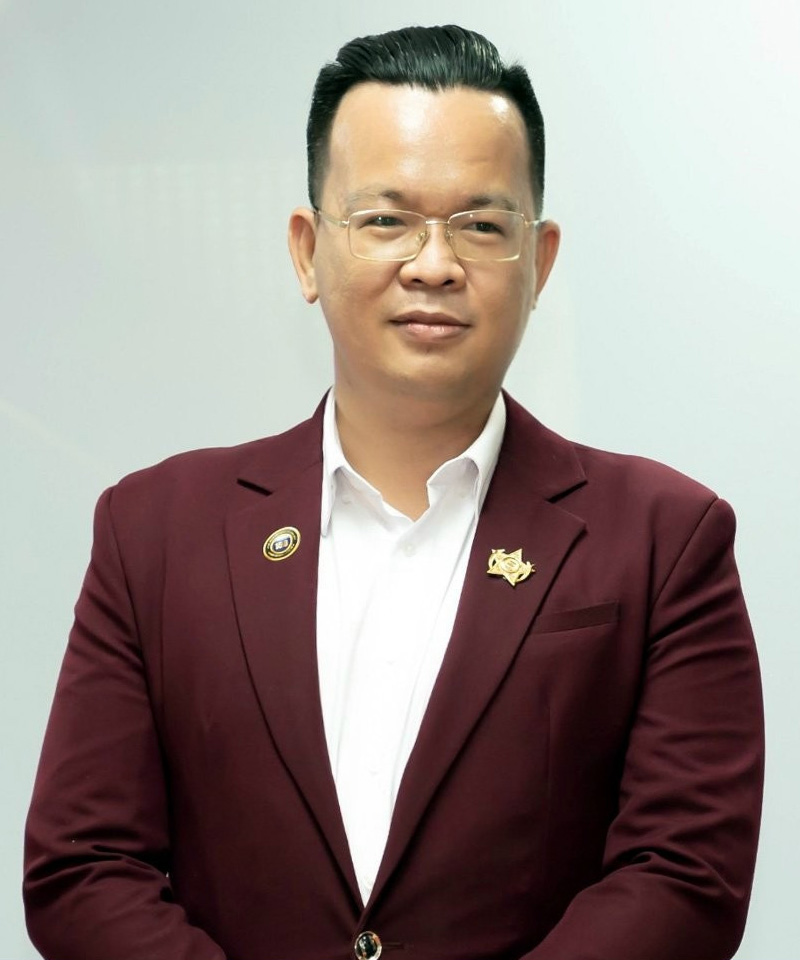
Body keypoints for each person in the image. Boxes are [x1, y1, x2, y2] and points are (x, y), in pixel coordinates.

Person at [23, 24, 763, 960]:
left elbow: (684, 876)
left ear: (539, 262)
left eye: (481, 225)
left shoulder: (666, 540)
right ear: (307, 251)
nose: (433, 264)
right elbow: (83, 867)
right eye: (386, 220)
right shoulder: (155, 532)